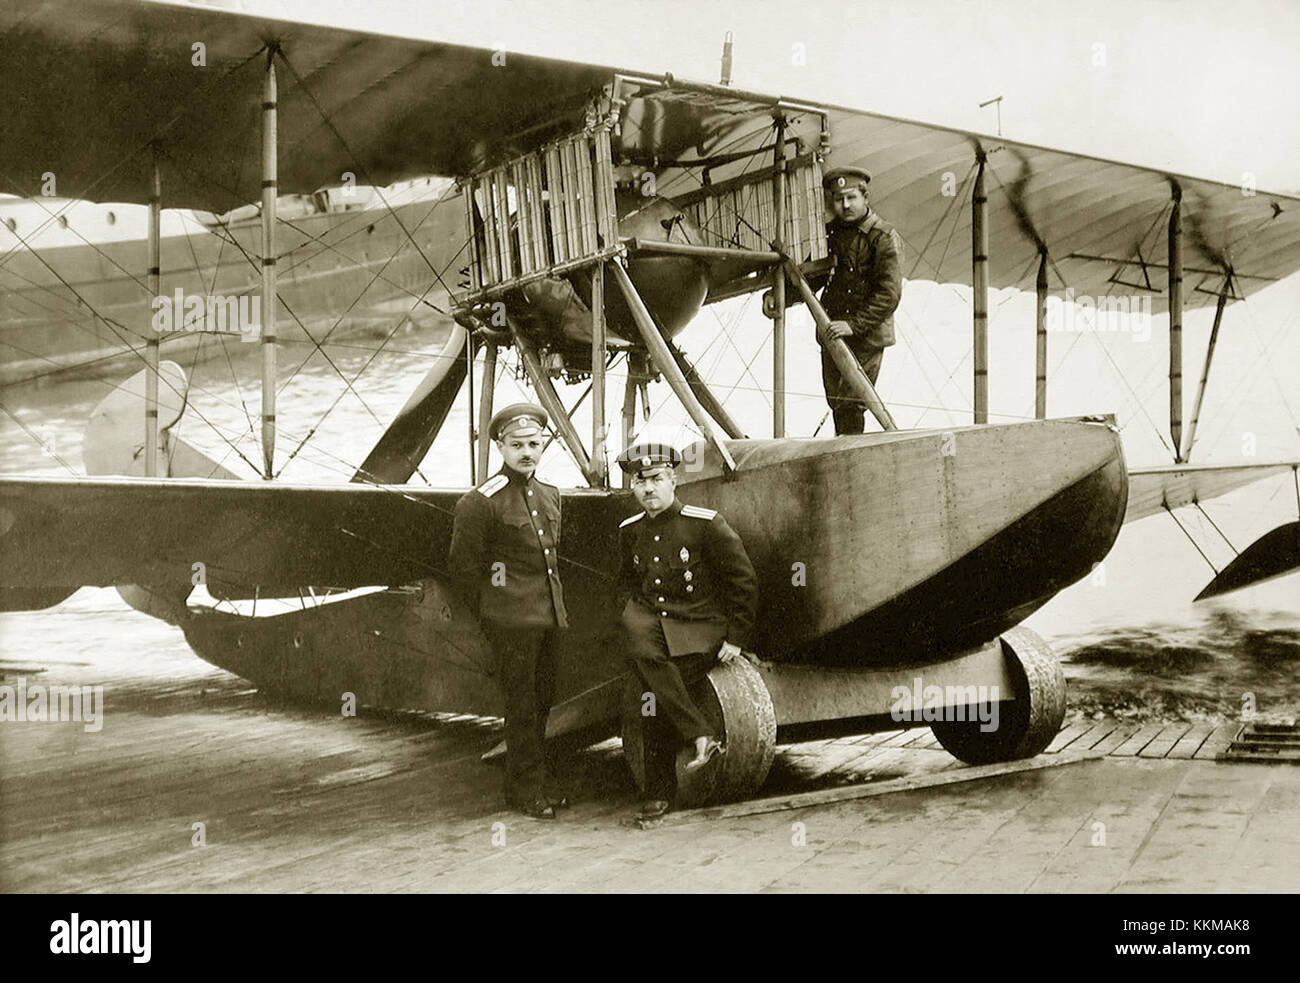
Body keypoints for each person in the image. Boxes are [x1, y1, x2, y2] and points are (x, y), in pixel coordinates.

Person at [615, 442, 758, 821]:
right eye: (640, 482)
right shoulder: (630, 531)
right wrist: (634, 615)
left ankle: (660, 789)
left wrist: (736, 638)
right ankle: (698, 738)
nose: (648, 489)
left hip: (699, 627)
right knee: (648, 667)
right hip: (653, 628)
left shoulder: (705, 524)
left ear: (674, 480)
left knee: (653, 687)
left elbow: (743, 581)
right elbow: (627, 584)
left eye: (656, 479)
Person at [447, 402, 569, 820]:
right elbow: (464, 569)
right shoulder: (481, 502)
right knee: (521, 706)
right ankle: (524, 791)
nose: (527, 452)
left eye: (534, 444)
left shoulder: (550, 495)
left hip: (549, 617)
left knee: (544, 701)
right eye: (517, 445)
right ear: (500, 446)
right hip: (511, 622)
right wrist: (492, 616)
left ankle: (536, 781)